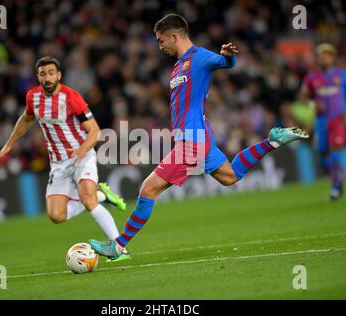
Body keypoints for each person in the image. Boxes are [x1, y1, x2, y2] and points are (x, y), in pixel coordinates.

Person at [89, 14, 308, 260]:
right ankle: (273, 141)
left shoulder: (200, 56)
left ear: (175, 36)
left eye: (162, 41)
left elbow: (227, 64)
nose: (160, 46)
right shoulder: (177, 66)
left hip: (192, 140)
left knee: (148, 189)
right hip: (196, 137)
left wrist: (228, 55)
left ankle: (117, 246)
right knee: (230, 176)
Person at [0, 56, 130, 261]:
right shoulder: (33, 97)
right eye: (42, 74)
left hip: (81, 155)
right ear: (38, 76)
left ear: (58, 75)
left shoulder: (71, 98)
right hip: (57, 163)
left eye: (51, 73)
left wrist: (84, 149)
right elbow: (26, 119)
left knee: (87, 199)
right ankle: (101, 194)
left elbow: (95, 131)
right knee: (56, 216)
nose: (47, 78)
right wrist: (9, 144)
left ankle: (119, 249)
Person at [300, 43, 346, 200]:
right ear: (318, 58)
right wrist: (312, 104)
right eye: (321, 55)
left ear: (332, 57)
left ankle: (336, 187)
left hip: (338, 119)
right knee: (323, 153)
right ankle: (338, 175)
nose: (324, 57)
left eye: (327, 55)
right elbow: (303, 96)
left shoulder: (343, 75)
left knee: (336, 149)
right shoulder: (312, 76)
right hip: (321, 120)